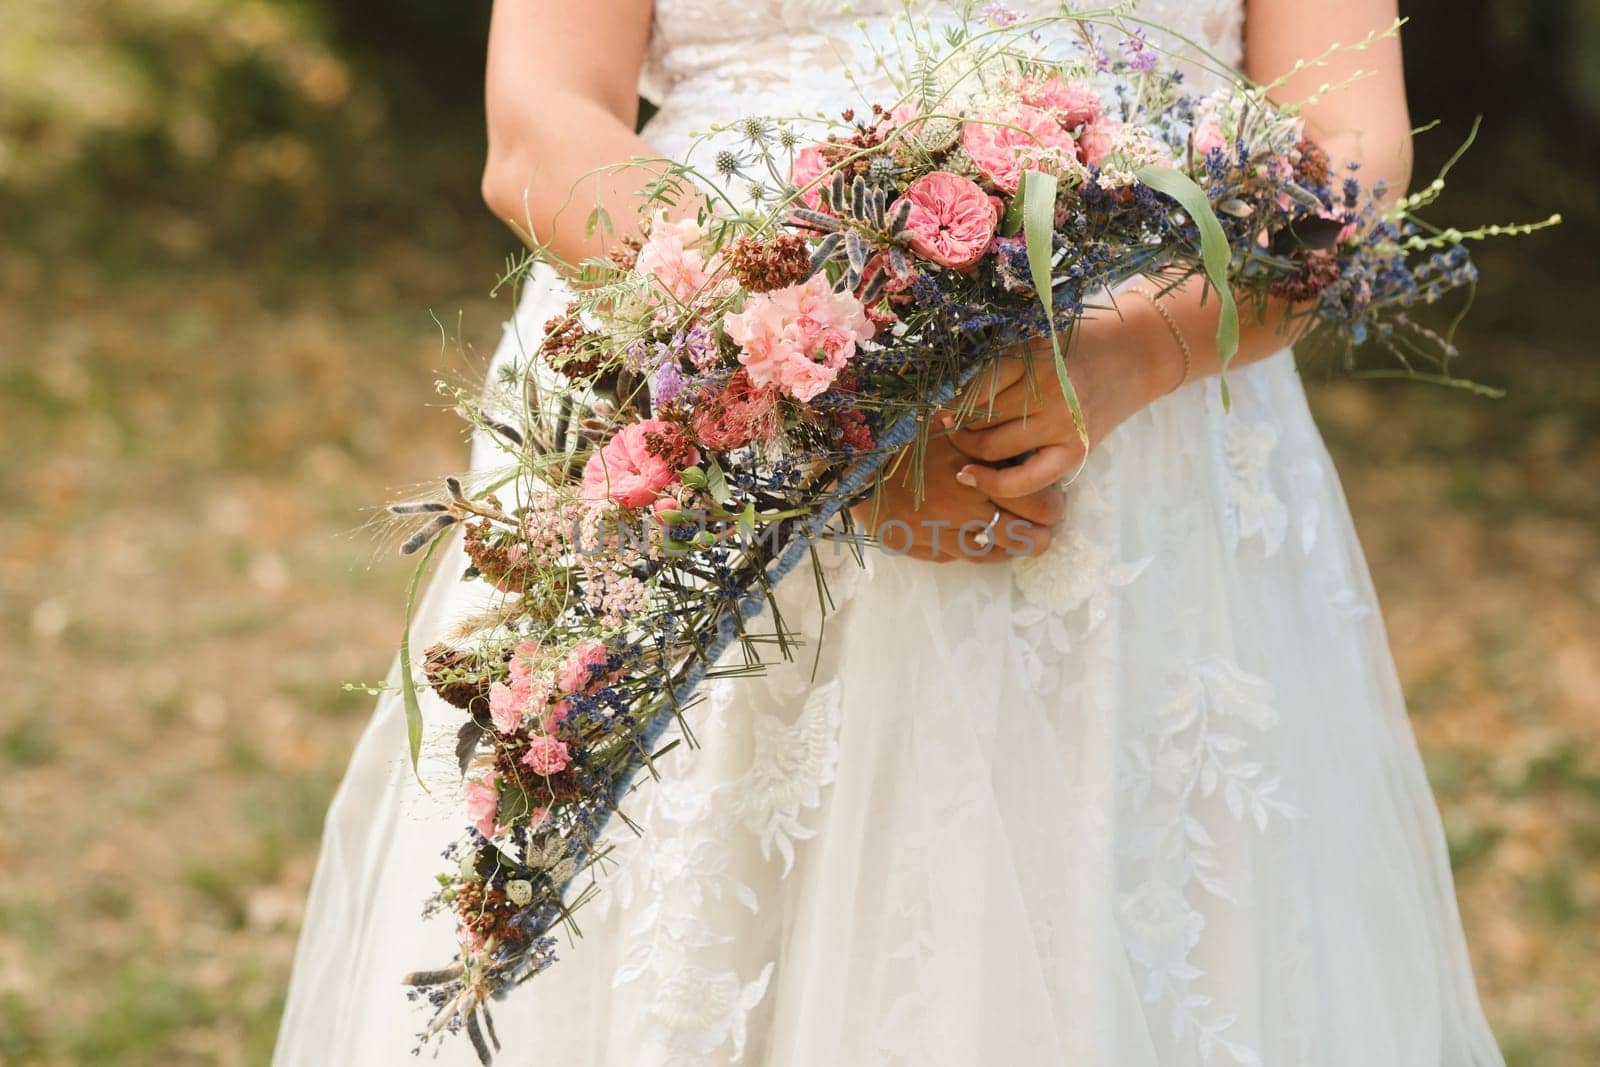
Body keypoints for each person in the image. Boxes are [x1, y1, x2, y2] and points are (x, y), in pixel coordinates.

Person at [274, 2, 1507, 1063]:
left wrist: (1133, 351)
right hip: (720, 405)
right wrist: (830, 402)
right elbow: (541, 119)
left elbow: (1352, 157)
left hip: (1148, 445)